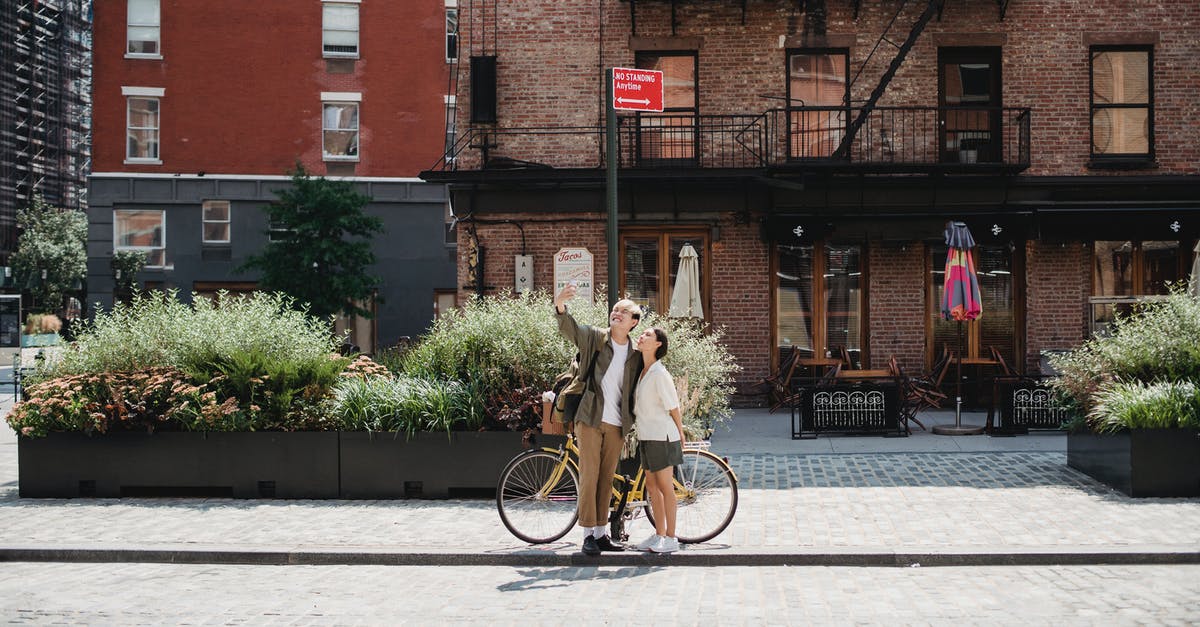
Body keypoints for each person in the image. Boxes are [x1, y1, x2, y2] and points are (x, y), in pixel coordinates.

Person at [554, 283, 643, 556]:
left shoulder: (636, 353)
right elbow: (570, 328)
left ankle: (602, 534)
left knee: (607, 478)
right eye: (615, 310)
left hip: (617, 423)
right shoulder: (595, 338)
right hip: (591, 417)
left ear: (634, 322)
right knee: (589, 475)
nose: (616, 313)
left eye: (623, 312)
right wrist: (560, 305)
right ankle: (587, 535)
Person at [631, 327, 685, 554]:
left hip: (662, 436)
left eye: (647, 335)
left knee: (665, 488)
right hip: (646, 435)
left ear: (658, 344)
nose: (641, 337)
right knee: (652, 488)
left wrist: (681, 433)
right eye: (641, 334)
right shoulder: (643, 371)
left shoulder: (660, 373)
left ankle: (671, 538)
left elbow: (673, 406)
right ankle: (659, 534)